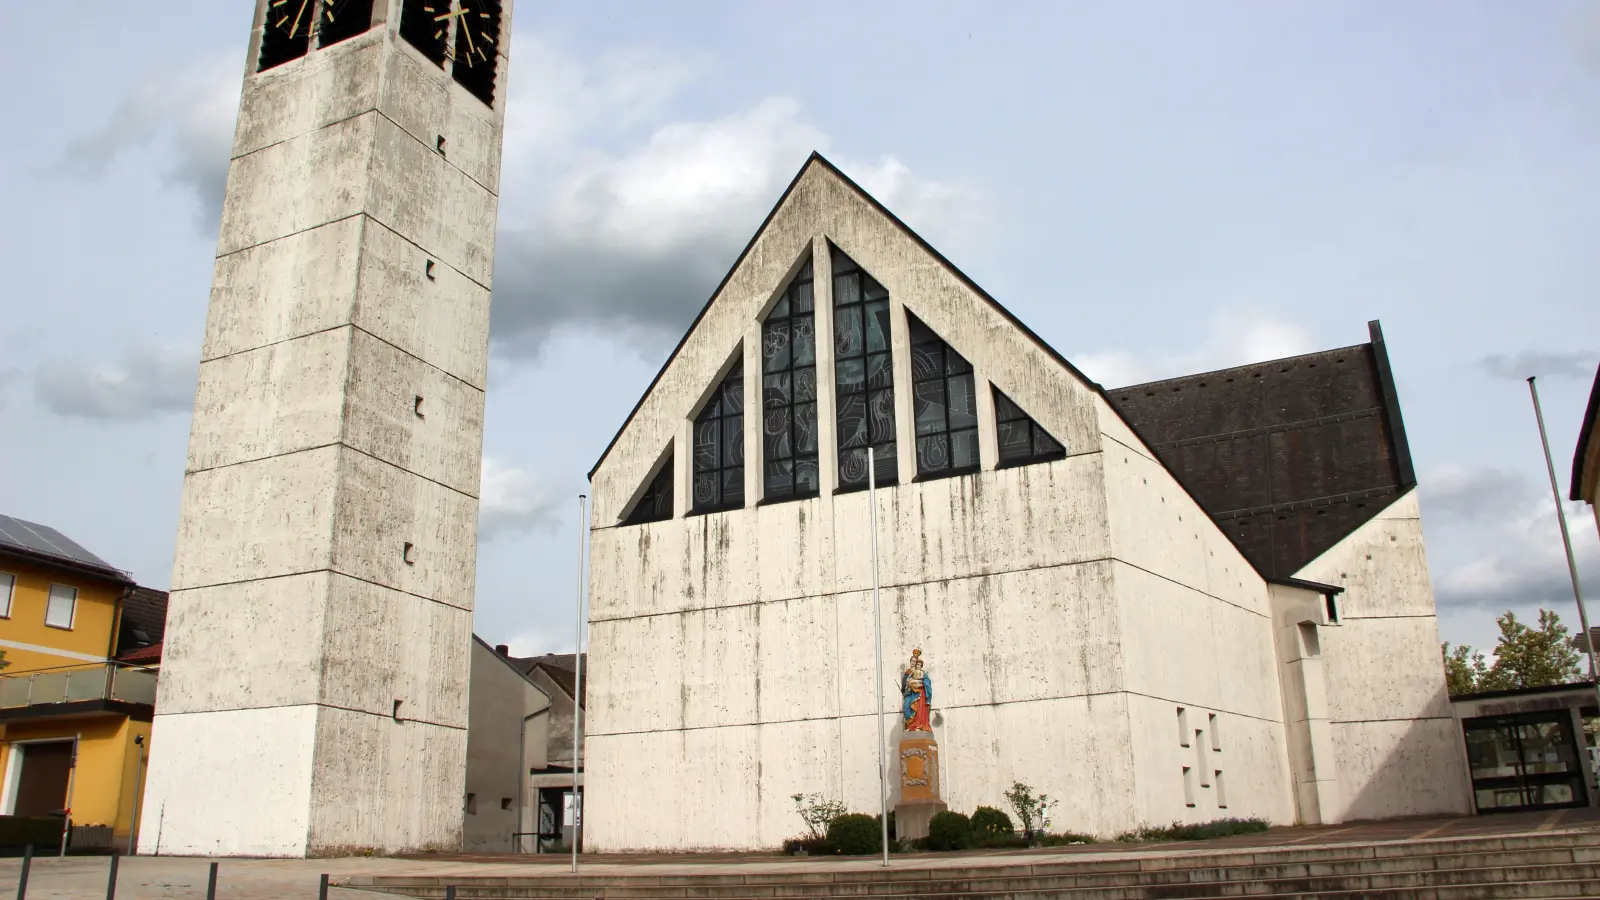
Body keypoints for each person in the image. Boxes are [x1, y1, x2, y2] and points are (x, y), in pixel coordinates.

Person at [901, 648, 933, 732]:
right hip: (909, 694)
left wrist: (920, 684)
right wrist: (907, 684)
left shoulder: (920, 672)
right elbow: (904, 684)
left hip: (916, 694)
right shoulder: (908, 672)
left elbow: (926, 681)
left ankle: (916, 725)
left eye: (915, 661)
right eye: (911, 661)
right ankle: (910, 724)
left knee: (917, 709)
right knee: (906, 709)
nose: (912, 663)